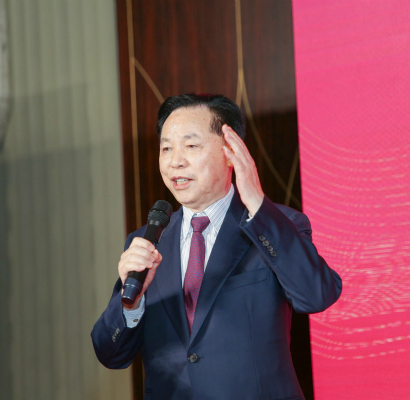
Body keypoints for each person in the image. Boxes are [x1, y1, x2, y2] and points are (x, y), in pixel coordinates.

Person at [91, 93, 342, 400]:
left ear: (230, 152)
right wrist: (131, 305)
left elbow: (317, 294)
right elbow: (110, 353)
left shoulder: (276, 225)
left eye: (191, 146)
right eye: (166, 148)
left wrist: (258, 205)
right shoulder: (147, 242)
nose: (175, 161)